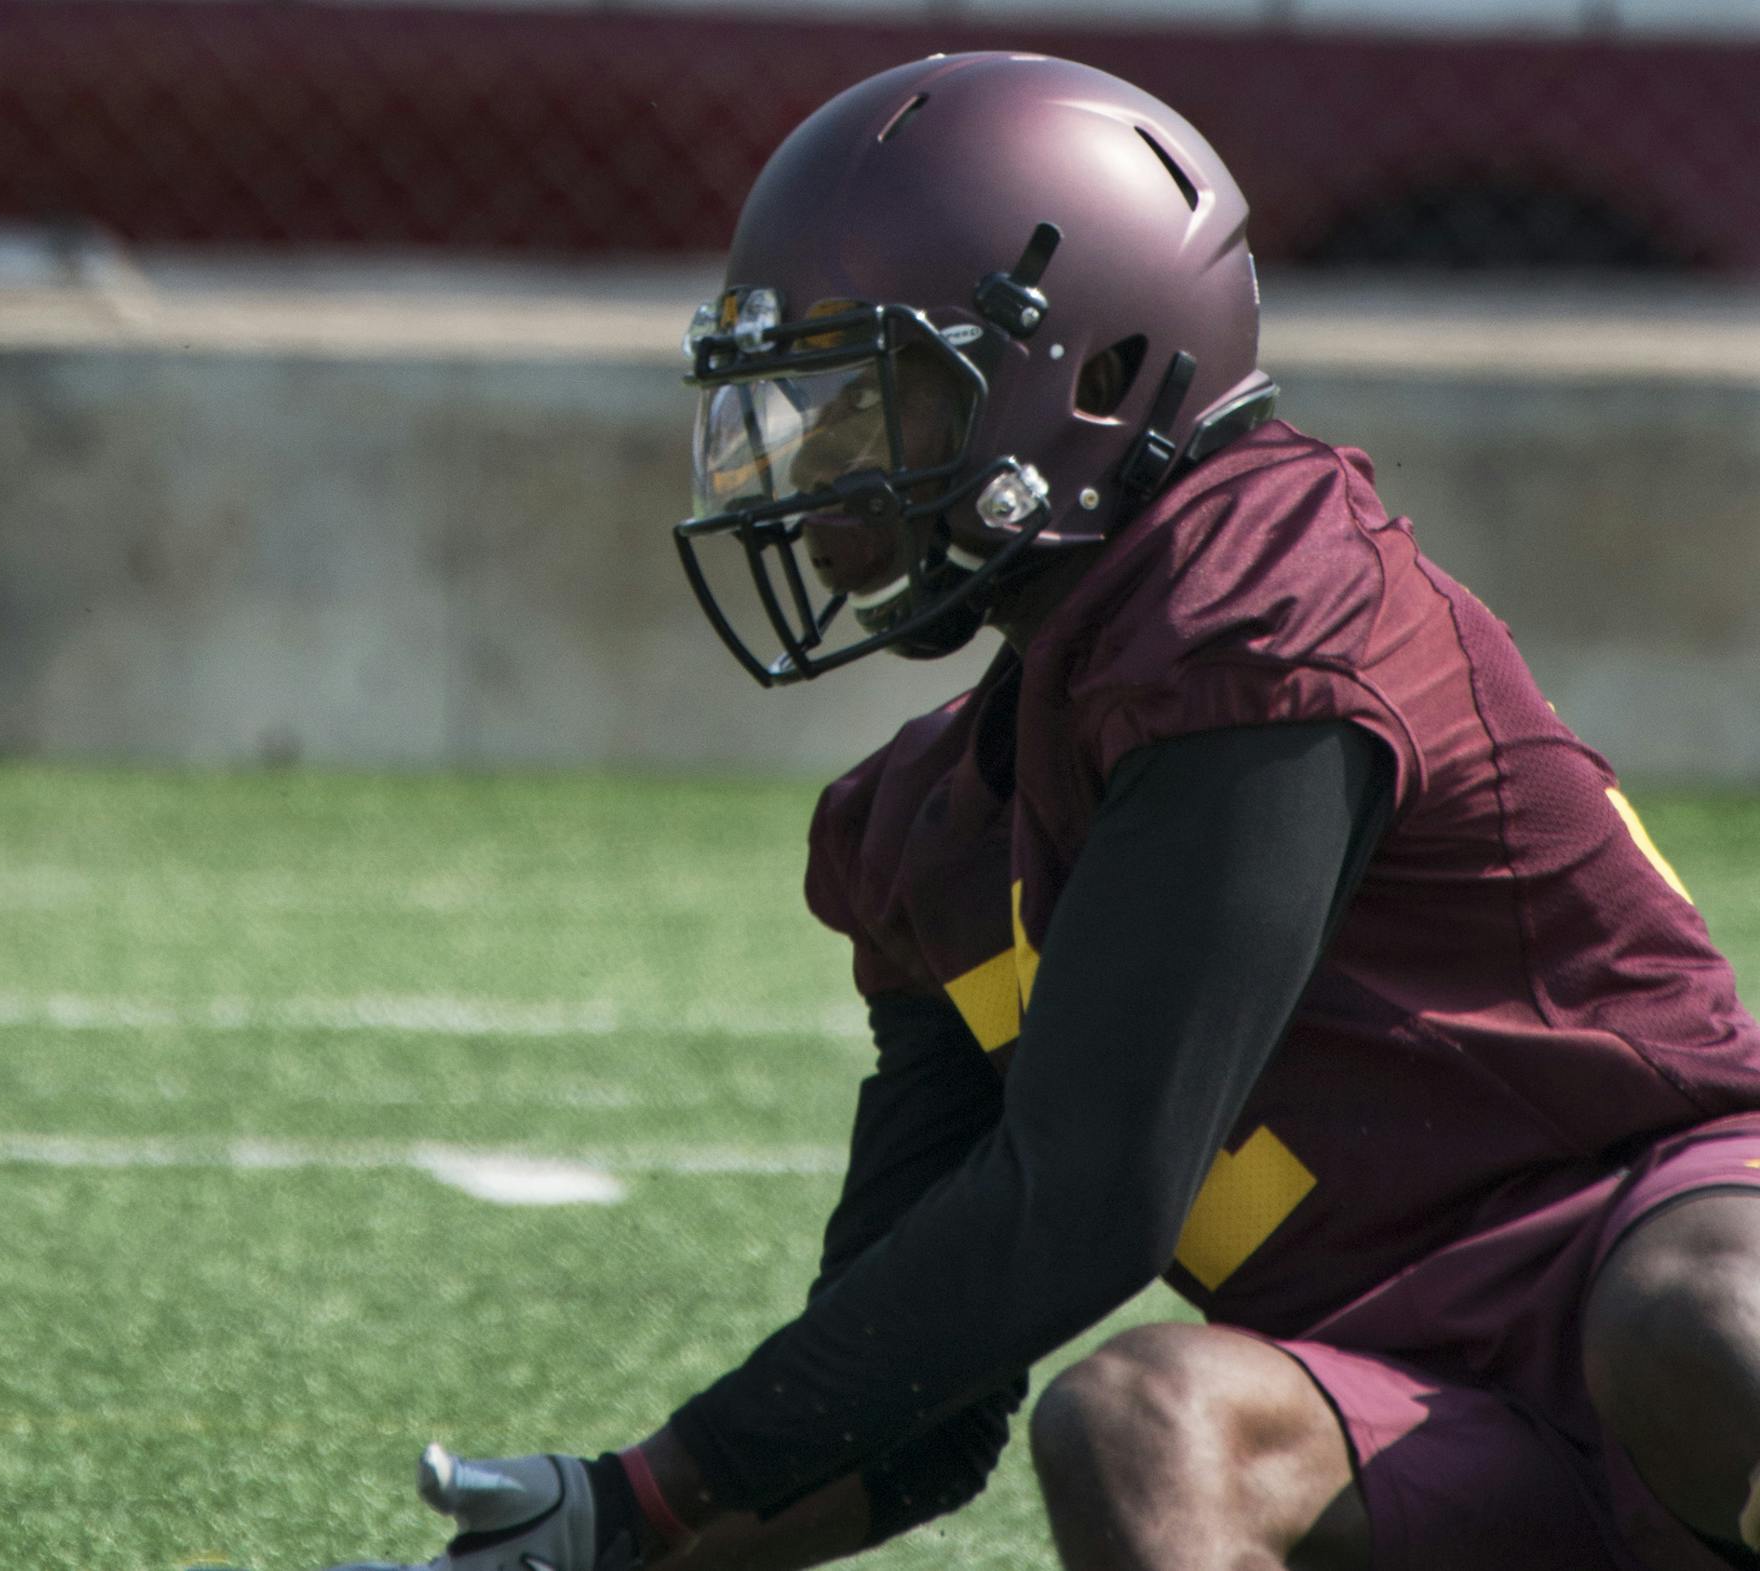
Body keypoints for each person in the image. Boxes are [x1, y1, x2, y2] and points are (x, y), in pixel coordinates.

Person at [331, 52, 1760, 1571]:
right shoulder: (936, 832)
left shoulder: (1274, 610)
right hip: (1409, 1397)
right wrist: (601, 1539)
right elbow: (911, 1424)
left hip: (1649, 1235)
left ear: (1092, 372)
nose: (808, 466)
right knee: (1139, 1427)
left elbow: (1089, 1200)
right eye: (798, 399)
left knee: (1707, 1325)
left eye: (869, 397)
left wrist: (651, 1491)